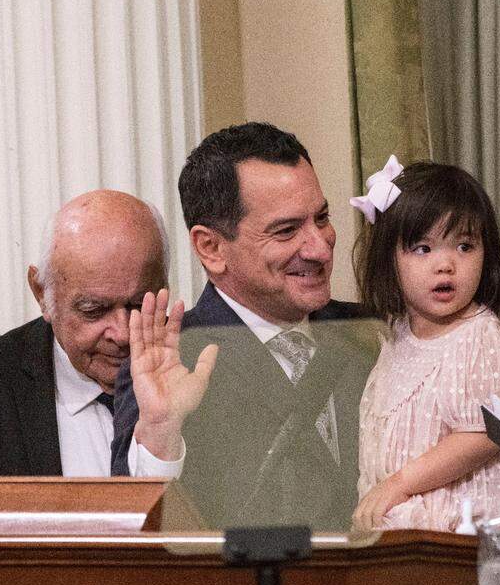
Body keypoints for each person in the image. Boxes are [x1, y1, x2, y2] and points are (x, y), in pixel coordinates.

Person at [111, 122, 376, 530]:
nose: (320, 248)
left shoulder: (370, 333)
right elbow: (140, 529)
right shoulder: (173, 360)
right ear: (211, 248)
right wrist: (160, 433)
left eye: (321, 218)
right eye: (287, 230)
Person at [0, 190, 178, 478]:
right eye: (93, 310)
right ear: (42, 294)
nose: (122, 333)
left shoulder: (211, 375)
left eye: (140, 304)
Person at [349, 157, 500, 532]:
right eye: (423, 248)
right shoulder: (397, 338)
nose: (446, 265)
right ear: (389, 260)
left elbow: (484, 435)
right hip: (410, 531)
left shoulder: (482, 336)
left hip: (471, 533)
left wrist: (400, 483)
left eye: (464, 246)